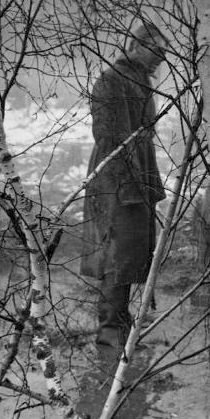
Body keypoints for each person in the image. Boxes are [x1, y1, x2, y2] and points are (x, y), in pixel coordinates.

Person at [80, 22, 168, 347]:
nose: (161, 59)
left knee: (131, 252)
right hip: (115, 178)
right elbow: (107, 137)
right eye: (157, 51)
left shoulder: (140, 79)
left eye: (164, 54)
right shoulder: (112, 80)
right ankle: (109, 330)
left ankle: (120, 322)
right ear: (138, 45)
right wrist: (126, 181)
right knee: (115, 253)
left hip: (138, 174)